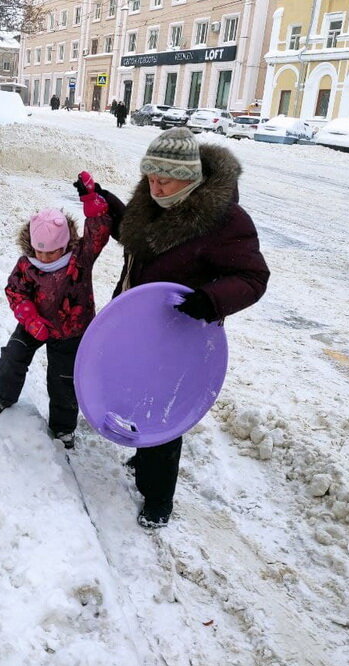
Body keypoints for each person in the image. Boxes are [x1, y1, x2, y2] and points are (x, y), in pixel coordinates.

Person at [94, 127, 269, 528]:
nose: (154, 186)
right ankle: (142, 456)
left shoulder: (225, 220)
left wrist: (209, 300)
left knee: (163, 413)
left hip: (180, 334)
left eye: (163, 179)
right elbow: (145, 243)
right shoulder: (153, 199)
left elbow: (253, 278)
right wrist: (111, 206)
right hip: (139, 324)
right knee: (136, 395)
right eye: (150, 177)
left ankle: (158, 500)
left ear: (189, 177)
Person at [0, 173, 114, 450]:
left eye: (52, 252)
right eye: (39, 251)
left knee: (63, 379)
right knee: (13, 357)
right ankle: (2, 398)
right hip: (35, 324)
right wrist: (30, 320)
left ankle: (63, 427)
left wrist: (92, 200)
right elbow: (15, 291)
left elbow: (99, 232)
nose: (44, 258)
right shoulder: (27, 264)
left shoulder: (80, 257)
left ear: (66, 244)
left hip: (72, 330)